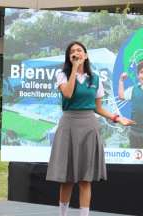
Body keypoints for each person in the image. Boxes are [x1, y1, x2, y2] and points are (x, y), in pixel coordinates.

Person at [46, 41, 134, 216]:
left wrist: (117, 118)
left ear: (85, 55)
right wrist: (74, 69)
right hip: (68, 125)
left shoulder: (95, 79)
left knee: (86, 179)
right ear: (69, 57)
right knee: (67, 179)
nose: (76, 53)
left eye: (79, 50)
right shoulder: (61, 74)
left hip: (89, 126)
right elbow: (69, 94)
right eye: (73, 51)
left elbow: (98, 108)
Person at [118, 61, 143, 148]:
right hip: (135, 131)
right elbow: (121, 96)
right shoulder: (133, 89)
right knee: (135, 158)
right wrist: (121, 81)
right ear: (137, 75)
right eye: (142, 72)